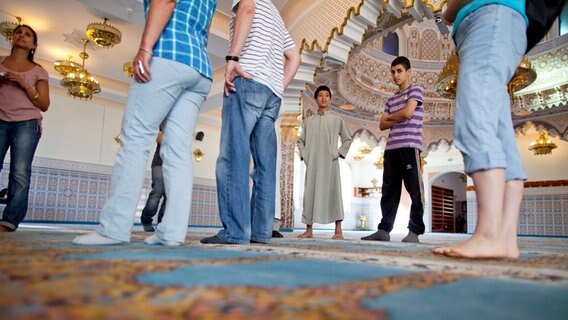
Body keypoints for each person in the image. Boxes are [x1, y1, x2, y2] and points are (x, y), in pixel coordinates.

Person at [73, 0, 216, 246]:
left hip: (168, 55)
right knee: (179, 152)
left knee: (135, 140)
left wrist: (145, 48)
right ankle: (171, 233)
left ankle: (113, 229)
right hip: (200, 68)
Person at [433, 0, 529, 259]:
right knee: (499, 131)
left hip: (490, 15)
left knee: (475, 118)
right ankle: (506, 239)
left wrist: (448, 11)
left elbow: (450, 9)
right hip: (494, 19)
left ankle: (488, 235)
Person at [200, 0, 301, 244]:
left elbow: (246, 9)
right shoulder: (275, 14)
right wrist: (279, 86)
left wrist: (233, 58)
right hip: (272, 95)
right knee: (265, 166)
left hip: (247, 81)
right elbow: (294, 57)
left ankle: (235, 232)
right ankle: (261, 232)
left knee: (234, 157)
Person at [361, 56, 425, 243]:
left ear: (408, 72)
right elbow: (382, 124)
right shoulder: (391, 99)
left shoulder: (416, 90)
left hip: (409, 147)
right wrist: (400, 116)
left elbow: (408, 113)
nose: (395, 75)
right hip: (391, 149)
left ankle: (414, 231)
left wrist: (394, 118)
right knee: (389, 191)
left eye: (399, 71)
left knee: (415, 191)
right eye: (393, 71)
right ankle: (384, 230)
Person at [0, 24, 50, 232]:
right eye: (18, 32)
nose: (22, 35)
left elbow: (44, 104)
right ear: (12, 38)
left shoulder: (39, 71)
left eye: (28, 34)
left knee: (20, 171)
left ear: (34, 45)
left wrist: (23, 83)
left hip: (27, 123)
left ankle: (9, 221)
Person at [297, 86, 352, 240]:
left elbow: (347, 139)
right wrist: (306, 156)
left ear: (330, 99)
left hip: (330, 164)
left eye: (326, 95)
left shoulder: (337, 120)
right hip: (313, 165)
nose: (323, 98)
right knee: (310, 194)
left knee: (334, 193)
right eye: (320, 95)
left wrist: (338, 152)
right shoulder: (308, 121)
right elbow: (300, 141)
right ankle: (309, 230)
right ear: (316, 99)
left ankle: (338, 230)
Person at [140, 132, 166, 232]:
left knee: (169, 196)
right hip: (159, 163)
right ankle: (146, 219)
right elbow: (159, 139)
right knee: (157, 191)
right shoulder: (163, 123)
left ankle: (162, 223)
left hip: (174, 166)